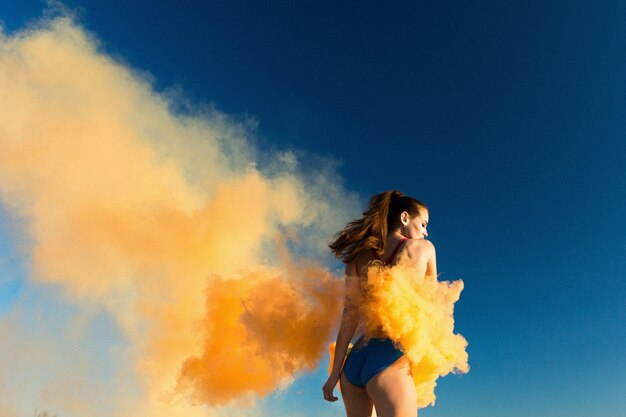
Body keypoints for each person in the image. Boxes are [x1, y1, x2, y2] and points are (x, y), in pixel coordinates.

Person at [322, 190, 436, 417]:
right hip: (390, 358)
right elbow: (432, 307)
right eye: (422, 224)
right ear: (404, 218)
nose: (425, 231)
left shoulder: (356, 258)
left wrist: (335, 373)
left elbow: (349, 317)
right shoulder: (423, 249)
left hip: (353, 366)